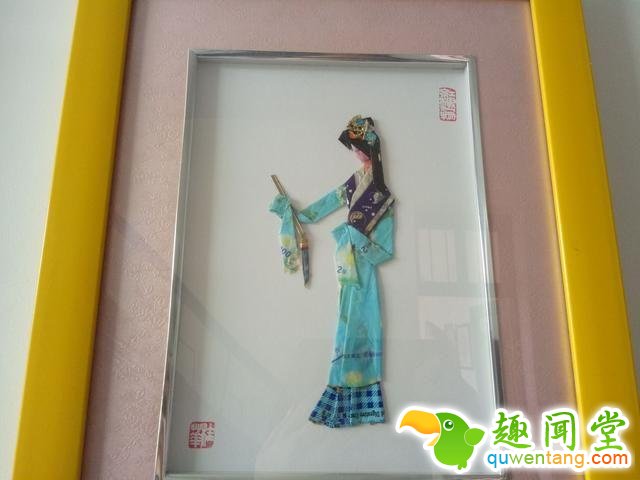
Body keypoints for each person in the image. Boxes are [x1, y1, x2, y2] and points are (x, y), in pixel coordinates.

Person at [269, 115, 395, 427]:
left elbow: (384, 252)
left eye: (360, 148)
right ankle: (344, 401)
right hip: (345, 263)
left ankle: (349, 402)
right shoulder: (354, 183)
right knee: (345, 324)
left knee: (357, 325)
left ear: (371, 149)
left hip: (362, 267)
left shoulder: (383, 198)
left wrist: (355, 238)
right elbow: (327, 204)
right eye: (354, 149)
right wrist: (295, 214)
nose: (357, 154)